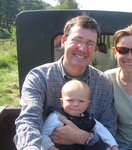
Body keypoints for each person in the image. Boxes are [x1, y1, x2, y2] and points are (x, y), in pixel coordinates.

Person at [14, 15, 117, 150]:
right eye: (77, 40)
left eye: (90, 43)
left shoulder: (104, 84)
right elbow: (29, 120)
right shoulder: (39, 77)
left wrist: (83, 137)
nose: (82, 49)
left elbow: (108, 130)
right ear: (63, 41)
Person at [41, 79, 118, 150]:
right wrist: (50, 147)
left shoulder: (88, 118)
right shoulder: (56, 117)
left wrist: (113, 144)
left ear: (87, 104)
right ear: (62, 102)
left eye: (81, 101)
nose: (75, 104)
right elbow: (43, 134)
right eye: (70, 100)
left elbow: (102, 130)